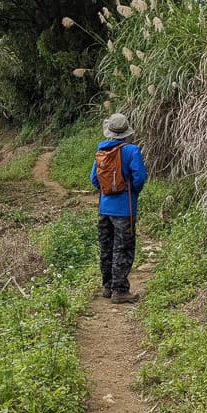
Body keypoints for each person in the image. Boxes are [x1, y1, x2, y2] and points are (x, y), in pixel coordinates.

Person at [90, 112, 147, 303]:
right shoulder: (132, 151)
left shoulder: (101, 151)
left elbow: (94, 179)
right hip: (125, 208)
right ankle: (120, 290)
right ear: (126, 131)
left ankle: (107, 287)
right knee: (123, 248)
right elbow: (139, 177)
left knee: (106, 247)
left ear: (110, 132)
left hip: (104, 208)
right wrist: (130, 192)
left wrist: (107, 191)